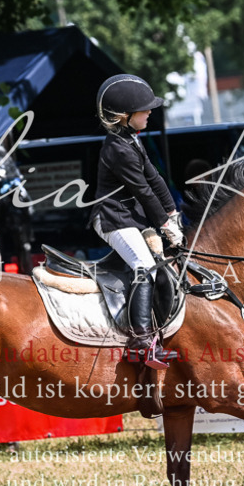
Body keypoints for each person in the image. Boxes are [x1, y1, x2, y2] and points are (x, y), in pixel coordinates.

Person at [90, 74, 184, 370]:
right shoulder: (117, 148)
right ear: (125, 116)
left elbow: (154, 179)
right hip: (112, 219)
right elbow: (141, 191)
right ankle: (140, 344)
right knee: (145, 267)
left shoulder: (131, 140)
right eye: (145, 109)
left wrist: (172, 214)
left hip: (131, 217)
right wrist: (164, 226)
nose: (150, 112)